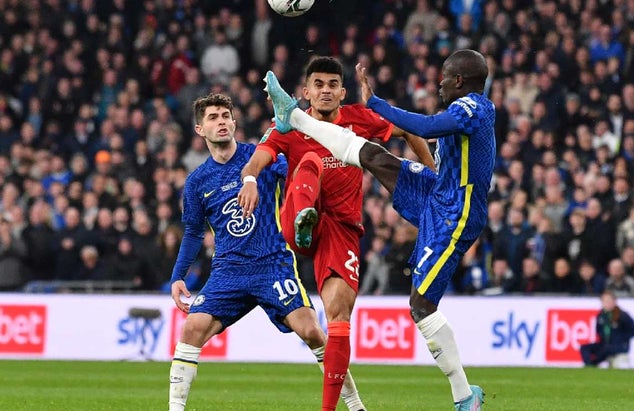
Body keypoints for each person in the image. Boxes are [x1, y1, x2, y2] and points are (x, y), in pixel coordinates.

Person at [259, 48, 491, 410]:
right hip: (438, 194)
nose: (439, 83)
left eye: (445, 77)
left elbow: (426, 127)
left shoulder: (474, 108)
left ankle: (464, 396)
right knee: (373, 156)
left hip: (455, 213)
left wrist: (376, 104)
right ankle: (296, 119)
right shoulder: (464, 107)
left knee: (421, 307)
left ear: (459, 80)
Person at [238, 56, 434, 411]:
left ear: (343, 92)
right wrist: (250, 179)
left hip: (341, 230)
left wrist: (432, 176)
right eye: (318, 85)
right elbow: (258, 158)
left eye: (332, 85)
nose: (325, 91)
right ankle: (305, 218)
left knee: (339, 317)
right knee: (310, 162)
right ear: (306, 92)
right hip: (296, 218)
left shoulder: (358, 119)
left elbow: (408, 131)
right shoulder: (287, 125)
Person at [168, 93, 365, 411]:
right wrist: (178, 275)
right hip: (228, 271)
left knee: (312, 331)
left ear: (234, 122)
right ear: (200, 129)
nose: (221, 122)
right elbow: (193, 232)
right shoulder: (197, 182)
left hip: (273, 264)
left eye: (225, 116)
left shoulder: (261, 157)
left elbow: (297, 174)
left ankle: (355, 406)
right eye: (213, 118)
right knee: (191, 329)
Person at [580, 290, 634, 368]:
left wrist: (621, 338)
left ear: (614, 301)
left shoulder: (622, 316)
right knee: (585, 348)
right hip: (605, 345)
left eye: (608, 301)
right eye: (604, 301)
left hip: (618, 347)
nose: (606, 303)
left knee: (607, 350)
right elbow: (598, 331)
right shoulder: (601, 316)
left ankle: (594, 363)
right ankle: (589, 366)